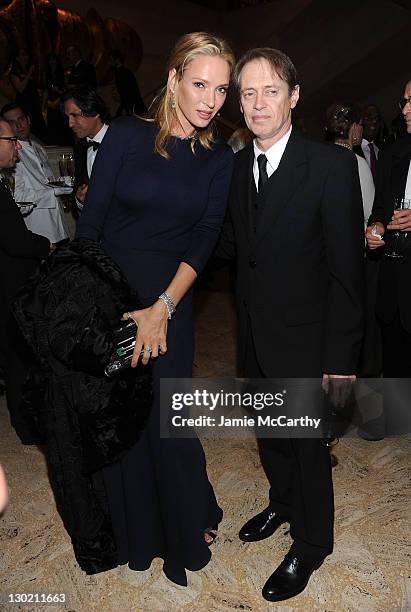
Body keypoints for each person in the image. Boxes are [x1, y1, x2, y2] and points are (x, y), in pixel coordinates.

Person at [75, 32, 234, 586]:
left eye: (220, 89)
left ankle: (186, 518)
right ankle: (134, 531)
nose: (211, 100)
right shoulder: (122, 136)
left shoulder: (218, 157)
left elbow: (206, 237)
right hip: (113, 300)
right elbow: (90, 228)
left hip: (174, 300)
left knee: (169, 417)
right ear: (172, 78)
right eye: (199, 84)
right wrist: (104, 306)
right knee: (122, 419)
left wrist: (163, 306)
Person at [217, 48, 364, 602]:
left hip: (308, 342)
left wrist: (340, 363)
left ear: (294, 97)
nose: (257, 104)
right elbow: (235, 246)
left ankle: (312, 541)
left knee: (306, 446)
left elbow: (348, 275)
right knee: (271, 437)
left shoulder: (330, 167)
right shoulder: (236, 168)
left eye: (270, 91)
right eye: (247, 93)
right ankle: (281, 502)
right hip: (254, 336)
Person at [0, 118, 50, 443]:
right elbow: (15, 242)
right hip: (7, 291)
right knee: (18, 357)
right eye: (11, 140)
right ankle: (30, 428)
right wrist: (48, 246)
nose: (18, 145)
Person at [365, 80, 411, 436]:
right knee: (393, 345)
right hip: (395, 270)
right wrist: (377, 227)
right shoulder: (394, 152)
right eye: (404, 101)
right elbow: (379, 208)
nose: (405, 110)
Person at [1, 103, 69, 244]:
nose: (19, 125)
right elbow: (18, 198)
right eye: (11, 122)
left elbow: (45, 182)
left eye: (21, 119)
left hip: (59, 225)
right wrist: (54, 192)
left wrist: (62, 184)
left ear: (28, 120)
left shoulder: (39, 147)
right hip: (38, 230)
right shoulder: (9, 155)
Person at [326, 102, 375, 226]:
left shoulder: (320, 158)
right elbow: (370, 212)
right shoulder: (357, 162)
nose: (362, 129)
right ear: (353, 128)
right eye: (360, 125)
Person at [62, 87, 110, 214]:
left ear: (94, 111)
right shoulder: (81, 149)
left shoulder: (122, 140)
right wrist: (80, 201)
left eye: (75, 115)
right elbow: (80, 193)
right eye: (68, 117)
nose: (70, 124)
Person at [9, 48, 48, 142]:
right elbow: (20, 88)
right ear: (17, 58)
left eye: (26, 55)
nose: (25, 57)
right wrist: (29, 73)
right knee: (29, 127)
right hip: (24, 104)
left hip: (34, 103)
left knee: (39, 127)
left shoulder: (28, 71)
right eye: (22, 55)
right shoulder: (15, 72)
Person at [109, 49, 147, 116]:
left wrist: (127, 109)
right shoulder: (121, 72)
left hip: (133, 107)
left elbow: (130, 92)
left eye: (111, 60)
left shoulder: (123, 73)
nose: (110, 62)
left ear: (117, 60)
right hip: (132, 107)